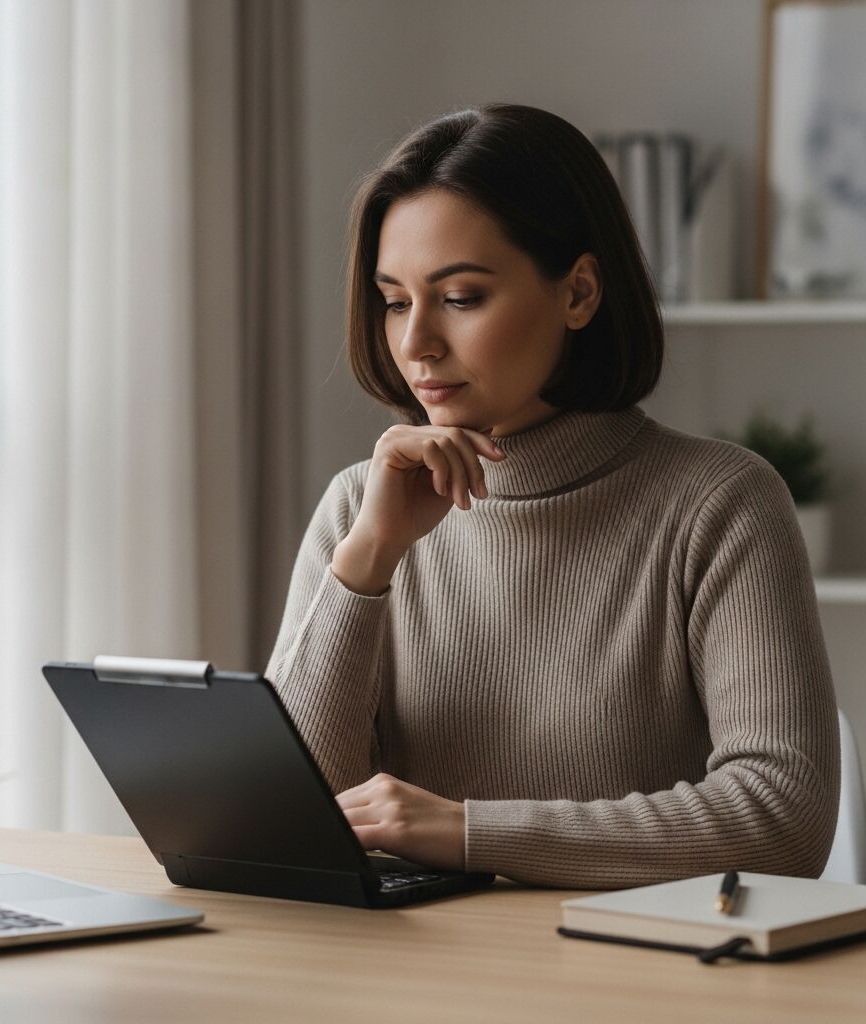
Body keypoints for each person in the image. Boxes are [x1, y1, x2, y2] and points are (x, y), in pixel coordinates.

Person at [266, 104, 839, 888]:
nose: (415, 343)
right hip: (402, 962)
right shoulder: (360, 508)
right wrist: (367, 561)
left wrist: (471, 832)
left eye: (460, 297)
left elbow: (782, 817)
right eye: (395, 301)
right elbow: (288, 823)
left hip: (624, 962)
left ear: (579, 293)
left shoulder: (720, 504)